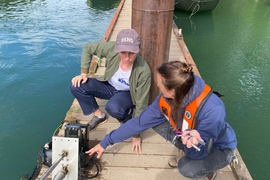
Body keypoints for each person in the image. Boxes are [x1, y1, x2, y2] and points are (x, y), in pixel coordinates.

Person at [86, 61, 237, 180]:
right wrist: (105, 142)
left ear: (174, 90)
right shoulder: (165, 98)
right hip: (188, 135)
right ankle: (186, 147)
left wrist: (191, 144)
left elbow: (200, 152)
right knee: (155, 122)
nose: (157, 84)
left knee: (186, 168)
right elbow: (138, 123)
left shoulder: (213, 109)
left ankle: (215, 168)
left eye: (159, 83)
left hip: (217, 147)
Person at [70, 29, 151, 152]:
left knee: (113, 108)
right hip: (109, 85)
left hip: (127, 93)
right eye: (123, 52)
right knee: (77, 85)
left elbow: (141, 104)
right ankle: (99, 116)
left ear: (138, 49)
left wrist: (136, 134)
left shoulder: (143, 70)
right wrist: (83, 73)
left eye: (132, 53)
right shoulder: (110, 48)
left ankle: (126, 117)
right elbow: (87, 47)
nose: (127, 58)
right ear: (117, 49)